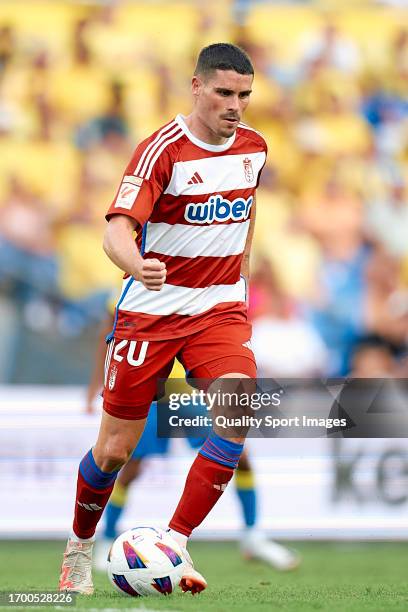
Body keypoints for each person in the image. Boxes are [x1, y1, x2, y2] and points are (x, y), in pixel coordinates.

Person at [59, 43, 268, 595]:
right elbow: (114, 233)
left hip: (218, 310)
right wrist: (139, 267)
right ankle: (80, 549)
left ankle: (173, 542)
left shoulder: (255, 148)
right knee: (114, 451)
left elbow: (246, 217)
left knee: (238, 408)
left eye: (244, 95)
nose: (235, 106)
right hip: (151, 313)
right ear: (196, 87)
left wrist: (239, 279)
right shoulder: (162, 151)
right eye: (224, 92)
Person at [86, 316, 300, 572]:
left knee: (239, 455)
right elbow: (109, 335)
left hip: (189, 388)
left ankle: (253, 536)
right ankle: (107, 539)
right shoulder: (133, 282)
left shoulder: (198, 281)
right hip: (152, 386)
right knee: (128, 467)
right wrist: (98, 384)